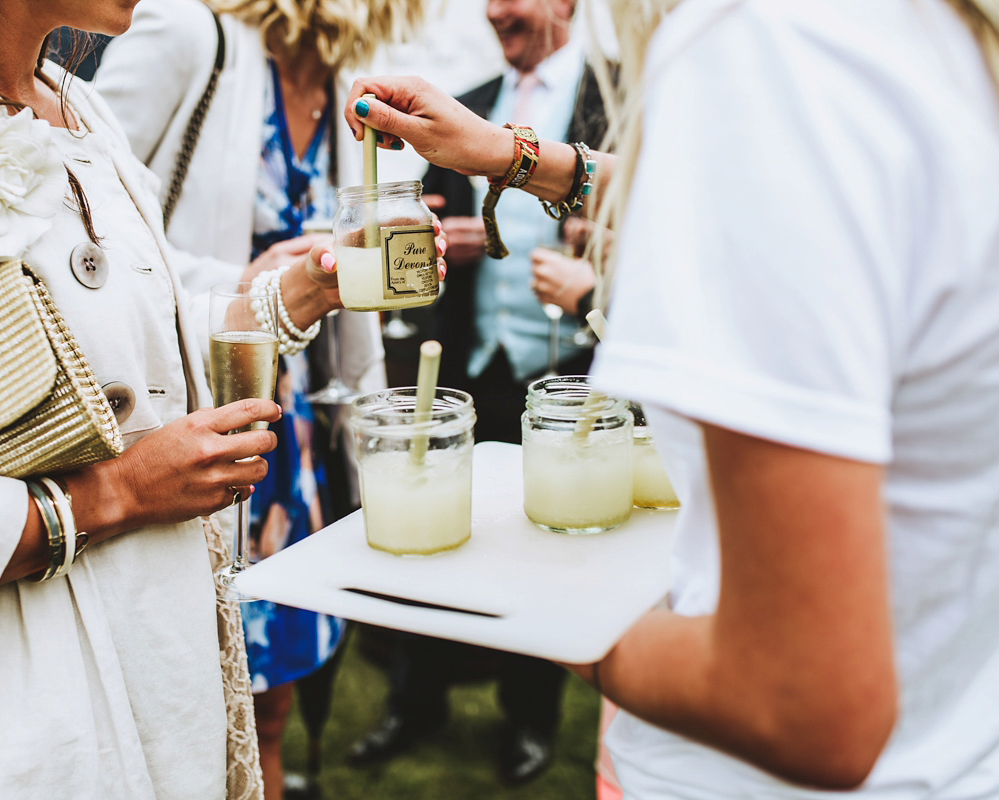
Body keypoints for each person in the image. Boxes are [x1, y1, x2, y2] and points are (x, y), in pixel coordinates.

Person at [344, 0, 999, 796]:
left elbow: (799, 699)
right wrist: (512, 156)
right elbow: (749, 182)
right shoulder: (926, 30)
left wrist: (538, 607)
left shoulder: (764, 39)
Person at [0, 2, 443, 798]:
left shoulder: (72, 104)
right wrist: (114, 494)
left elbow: (135, 355)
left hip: (147, 654)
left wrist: (304, 289)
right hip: (5, 705)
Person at [94, 2, 427, 797]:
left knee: (269, 697)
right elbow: (90, 225)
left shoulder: (352, 87)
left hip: (298, 421)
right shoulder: (191, 38)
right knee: (193, 695)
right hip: (197, 405)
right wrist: (250, 281)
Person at [347, 0, 606, 786]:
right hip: (463, 363)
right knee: (431, 528)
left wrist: (597, 247)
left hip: (565, 377)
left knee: (544, 544)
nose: (495, 10)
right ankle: (411, 702)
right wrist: (442, 241)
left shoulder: (615, 95)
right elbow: (425, 219)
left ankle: (527, 720)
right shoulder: (473, 102)